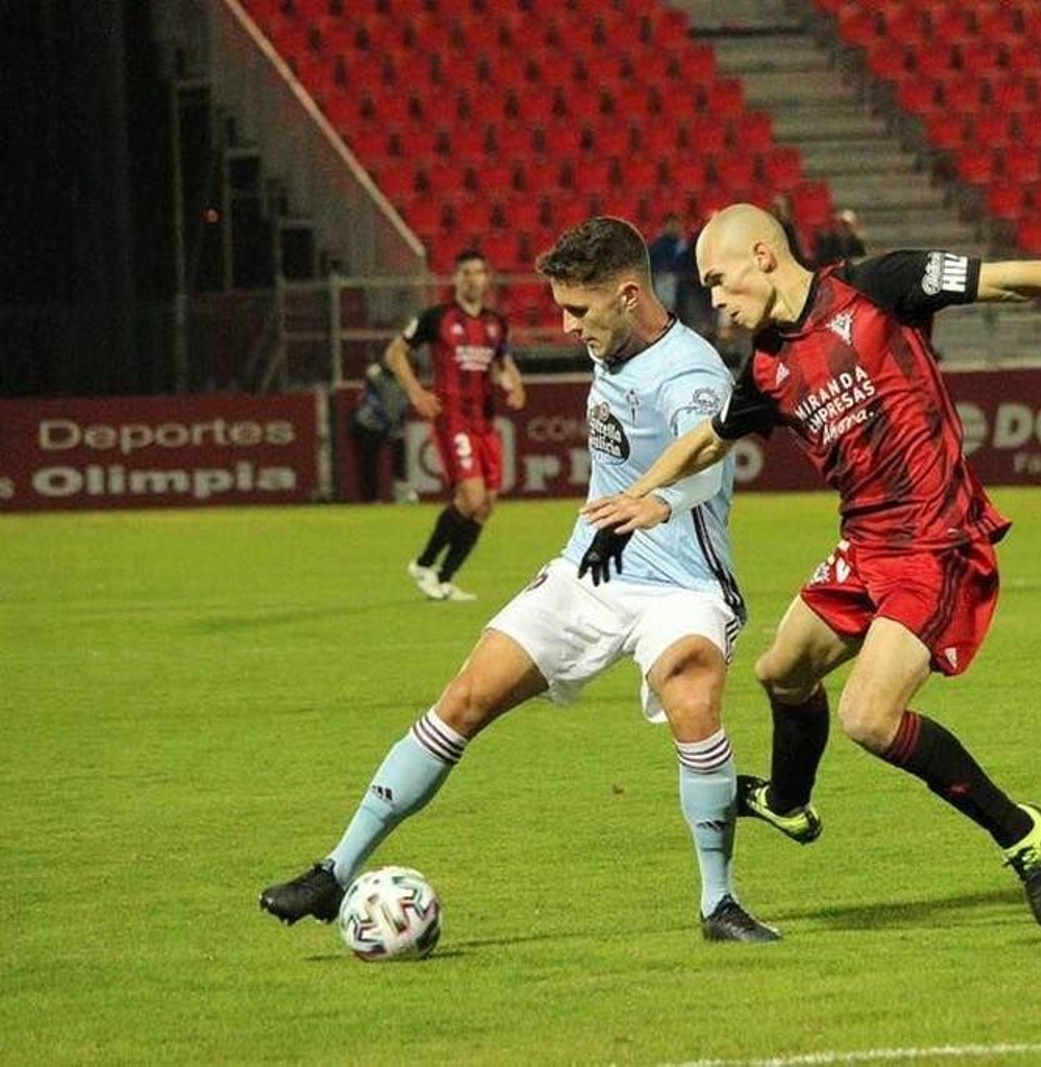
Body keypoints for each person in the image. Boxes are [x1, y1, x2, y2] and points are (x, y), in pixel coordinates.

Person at [581, 203, 1041, 929]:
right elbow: (710, 440)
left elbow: (1007, 282)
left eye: (718, 281)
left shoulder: (879, 286)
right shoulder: (765, 362)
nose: (713, 300)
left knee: (868, 717)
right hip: (866, 542)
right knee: (782, 670)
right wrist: (633, 496)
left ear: (762, 255)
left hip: (935, 538)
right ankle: (789, 803)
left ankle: (1021, 832)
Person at [259, 217, 778, 943]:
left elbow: (710, 459)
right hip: (588, 569)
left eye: (578, 310)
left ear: (629, 295)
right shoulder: (616, 340)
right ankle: (334, 870)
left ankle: (718, 902)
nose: (567, 327)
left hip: (682, 583)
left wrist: (658, 499)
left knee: (693, 700)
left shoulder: (690, 372)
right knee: (464, 696)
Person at [387, 249, 525, 602]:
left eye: (479, 272)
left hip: (486, 422)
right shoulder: (437, 318)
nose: (473, 279)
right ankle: (423, 563)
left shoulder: (496, 323)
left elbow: (504, 362)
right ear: (456, 278)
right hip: (453, 419)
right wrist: (416, 392)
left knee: (486, 504)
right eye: (466, 273)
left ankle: (445, 579)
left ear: (487, 278)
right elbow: (395, 353)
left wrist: (515, 385)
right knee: (472, 496)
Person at [350, 357, 413, 503]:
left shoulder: (403, 378)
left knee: (400, 459)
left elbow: (403, 402)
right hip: (369, 425)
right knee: (370, 464)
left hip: (391, 424)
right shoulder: (374, 374)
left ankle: (402, 494)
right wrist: (386, 420)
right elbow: (372, 400)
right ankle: (371, 498)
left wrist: (398, 424)